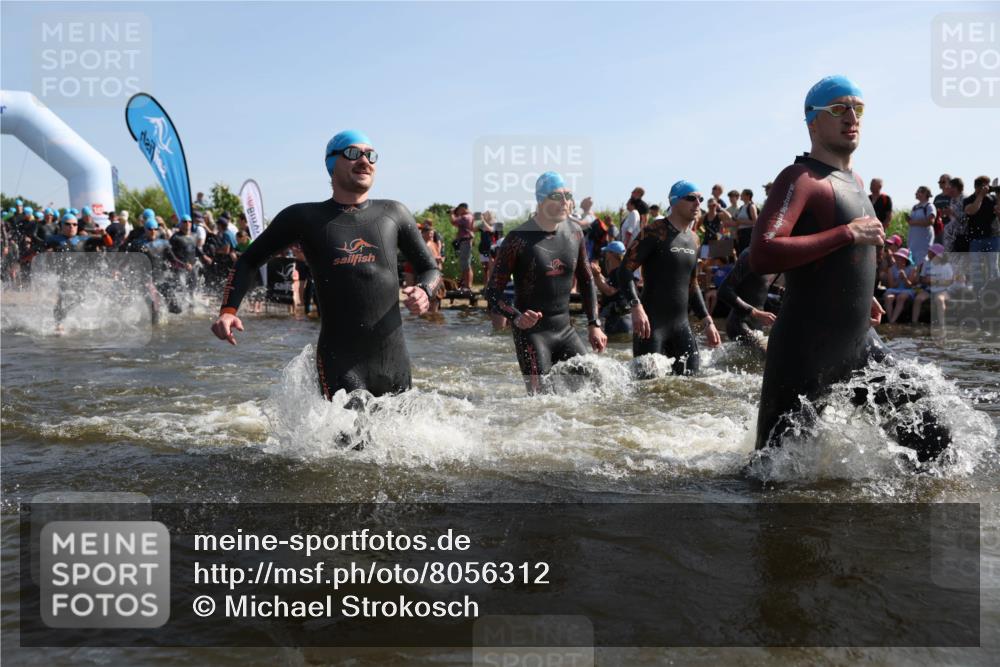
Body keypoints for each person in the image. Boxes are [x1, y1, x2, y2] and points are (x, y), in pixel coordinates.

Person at [749, 74, 948, 462]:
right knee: (771, 472)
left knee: (934, 440)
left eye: (858, 108)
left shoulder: (854, 180)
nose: (851, 116)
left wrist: (864, 295)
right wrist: (845, 233)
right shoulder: (801, 179)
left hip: (858, 343)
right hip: (804, 351)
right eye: (839, 108)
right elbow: (763, 253)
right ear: (812, 121)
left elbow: (851, 254)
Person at [210, 129, 441, 400]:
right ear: (331, 163)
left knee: (402, 440)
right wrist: (228, 310)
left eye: (371, 155)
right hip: (341, 362)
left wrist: (425, 290)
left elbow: (431, 268)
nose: (365, 160)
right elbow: (249, 260)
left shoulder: (395, 213)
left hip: (394, 361)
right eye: (353, 153)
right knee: (345, 441)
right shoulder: (303, 217)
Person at [484, 171, 606, 393]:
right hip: (532, 335)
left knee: (598, 388)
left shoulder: (575, 232)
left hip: (565, 331)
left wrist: (594, 324)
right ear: (540, 200)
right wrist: (516, 316)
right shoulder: (518, 239)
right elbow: (492, 292)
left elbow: (587, 280)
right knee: (541, 401)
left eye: (568, 195)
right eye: (556, 196)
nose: (565, 202)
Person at [618, 180, 721, 376]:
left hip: (681, 325)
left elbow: (692, 284)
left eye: (700, 199)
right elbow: (624, 270)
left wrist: (708, 321)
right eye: (691, 198)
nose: (697, 203)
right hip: (651, 326)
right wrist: (635, 305)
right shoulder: (654, 232)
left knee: (691, 385)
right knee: (647, 391)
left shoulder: (694, 239)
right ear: (674, 202)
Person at [716, 249, 778, 357]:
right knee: (772, 358)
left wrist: (780, 291)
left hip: (757, 325)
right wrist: (755, 312)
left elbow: (759, 286)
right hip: (740, 323)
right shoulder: (750, 254)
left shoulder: (773, 256)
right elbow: (724, 290)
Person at [963, 175, 999, 288]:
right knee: (976, 268)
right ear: (977, 187)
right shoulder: (968, 200)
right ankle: (977, 292)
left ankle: (995, 291)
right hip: (976, 239)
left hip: (993, 238)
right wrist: (981, 196)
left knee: (993, 267)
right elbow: (971, 211)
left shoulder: (993, 199)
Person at [591, 241, 632, 335]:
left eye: (607, 252)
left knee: (616, 346)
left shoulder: (619, 272)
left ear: (611, 254)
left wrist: (597, 276)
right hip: (621, 319)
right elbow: (609, 284)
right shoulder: (619, 271)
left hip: (620, 321)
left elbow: (610, 291)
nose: (605, 254)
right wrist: (597, 273)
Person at [912, 244, 953, 324]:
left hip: (942, 290)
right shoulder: (926, 264)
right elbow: (922, 279)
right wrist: (926, 280)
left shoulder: (946, 266)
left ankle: (942, 324)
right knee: (918, 299)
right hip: (928, 289)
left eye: (930, 252)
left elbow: (950, 281)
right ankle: (914, 322)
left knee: (939, 300)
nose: (928, 254)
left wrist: (935, 281)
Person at [883, 247, 917, 324]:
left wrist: (905, 278)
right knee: (889, 297)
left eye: (901, 258)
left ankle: (892, 321)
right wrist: (898, 279)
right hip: (894, 289)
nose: (898, 260)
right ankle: (890, 319)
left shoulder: (912, 269)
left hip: (907, 290)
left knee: (901, 297)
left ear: (905, 260)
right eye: (898, 257)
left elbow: (910, 286)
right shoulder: (891, 269)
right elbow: (891, 286)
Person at [906, 186, 936, 265]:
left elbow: (930, 221)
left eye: (918, 191)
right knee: (912, 266)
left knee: (922, 266)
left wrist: (913, 222)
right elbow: (911, 223)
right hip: (913, 243)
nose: (915, 193)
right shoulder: (915, 207)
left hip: (923, 244)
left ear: (925, 193)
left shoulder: (929, 206)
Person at [450, 203, 475, 290]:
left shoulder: (466, 217)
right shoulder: (470, 216)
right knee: (466, 264)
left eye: (459, 209)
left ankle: (467, 285)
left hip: (465, 241)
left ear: (463, 208)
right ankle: (467, 285)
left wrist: (452, 213)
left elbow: (454, 222)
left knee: (465, 264)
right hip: (466, 242)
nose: (458, 211)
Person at [733, 189, 757, 254]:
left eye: (743, 194)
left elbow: (755, 221)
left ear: (748, 196)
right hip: (741, 233)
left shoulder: (751, 206)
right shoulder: (741, 207)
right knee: (740, 253)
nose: (741, 195)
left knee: (747, 253)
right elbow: (738, 222)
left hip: (748, 233)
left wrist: (741, 221)